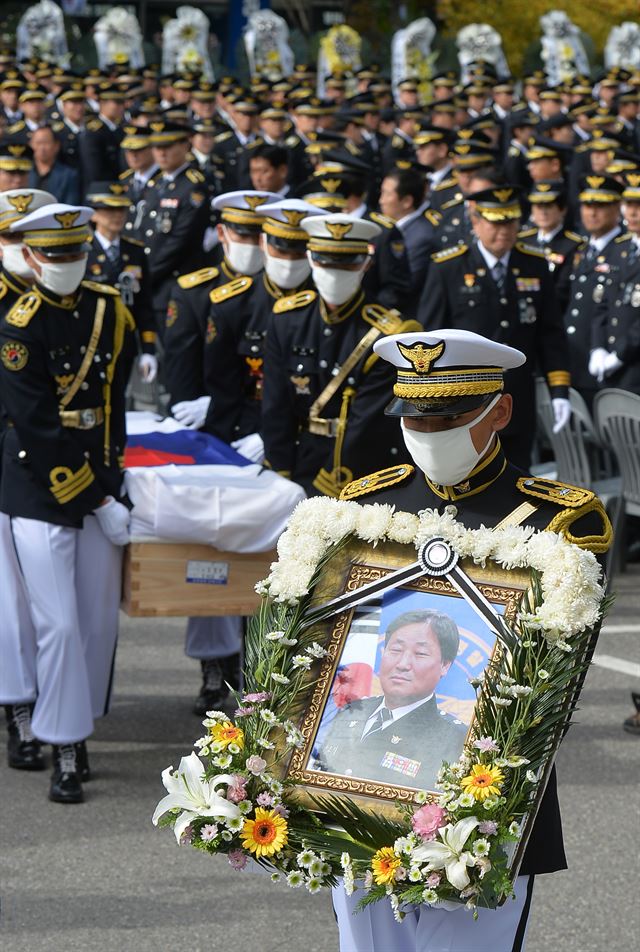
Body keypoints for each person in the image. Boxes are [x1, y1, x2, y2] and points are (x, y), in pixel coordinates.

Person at [336, 327, 612, 952]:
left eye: (450, 417)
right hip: (355, 792)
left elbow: (555, 691)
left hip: (481, 805)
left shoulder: (561, 520)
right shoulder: (363, 507)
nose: (428, 434)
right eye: (415, 418)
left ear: (501, 412)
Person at [0, 203, 135, 803]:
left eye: (74, 254)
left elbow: (114, 400)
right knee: (54, 621)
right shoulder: (19, 323)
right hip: (38, 488)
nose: (65, 266)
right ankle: (65, 742)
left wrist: (115, 478)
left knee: (94, 620)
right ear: (30, 258)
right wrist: (98, 496)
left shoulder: (110, 308)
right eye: (53, 256)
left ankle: (67, 722)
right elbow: (34, 423)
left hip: (101, 476)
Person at [262, 212, 422, 498]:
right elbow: (277, 404)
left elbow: (367, 426)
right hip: (301, 456)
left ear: (366, 264)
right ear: (310, 259)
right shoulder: (286, 319)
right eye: (325, 262)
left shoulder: (387, 334)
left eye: (348, 264)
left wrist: (326, 488)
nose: (335, 273)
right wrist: (280, 469)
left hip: (361, 469)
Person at [418, 184, 571, 468]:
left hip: (516, 396)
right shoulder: (448, 266)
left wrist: (559, 390)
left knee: (515, 476)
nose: (504, 230)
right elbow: (431, 340)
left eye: (510, 221)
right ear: (475, 221)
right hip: (463, 402)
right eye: (495, 221)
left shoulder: (534, 265)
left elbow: (550, 334)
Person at [314, 610, 466, 789]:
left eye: (420, 654)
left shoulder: (455, 739)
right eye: (395, 650)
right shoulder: (353, 710)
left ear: (444, 665)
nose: (402, 664)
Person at [138, 121, 209, 341]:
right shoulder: (156, 183)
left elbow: (181, 241)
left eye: (167, 146)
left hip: (173, 285)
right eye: (157, 146)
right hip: (150, 282)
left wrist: (146, 274)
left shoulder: (193, 186)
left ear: (185, 145)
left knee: (172, 352)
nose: (161, 152)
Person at [85, 181, 157, 383]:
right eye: (109, 210)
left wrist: (148, 349)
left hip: (125, 341)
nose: (117, 215)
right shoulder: (84, 251)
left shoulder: (134, 251)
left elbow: (144, 304)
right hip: (93, 340)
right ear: (94, 214)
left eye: (121, 210)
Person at [564, 174, 624, 408]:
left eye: (600, 206)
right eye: (588, 205)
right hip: (575, 360)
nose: (592, 212)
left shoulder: (623, 251)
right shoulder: (581, 249)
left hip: (603, 363)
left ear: (617, 207)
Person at [590, 172, 640, 393]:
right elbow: (603, 303)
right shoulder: (619, 249)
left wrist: (620, 354)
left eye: (639, 204)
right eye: (628, 203)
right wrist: (597, 347)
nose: (633, 211)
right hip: (610, 367)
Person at [518, 179, 585, 311]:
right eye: (538, 206)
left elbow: (563, 289)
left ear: (562, 209)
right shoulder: (521, 240)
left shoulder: (573, 244)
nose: (543, 212)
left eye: (548, 206)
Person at [28, 125, 80, 204]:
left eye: (46, 143)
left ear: (56, 146)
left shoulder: (69, 175)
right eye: (38, 143)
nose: (42, 148)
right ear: (30, 145)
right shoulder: (24, 173)